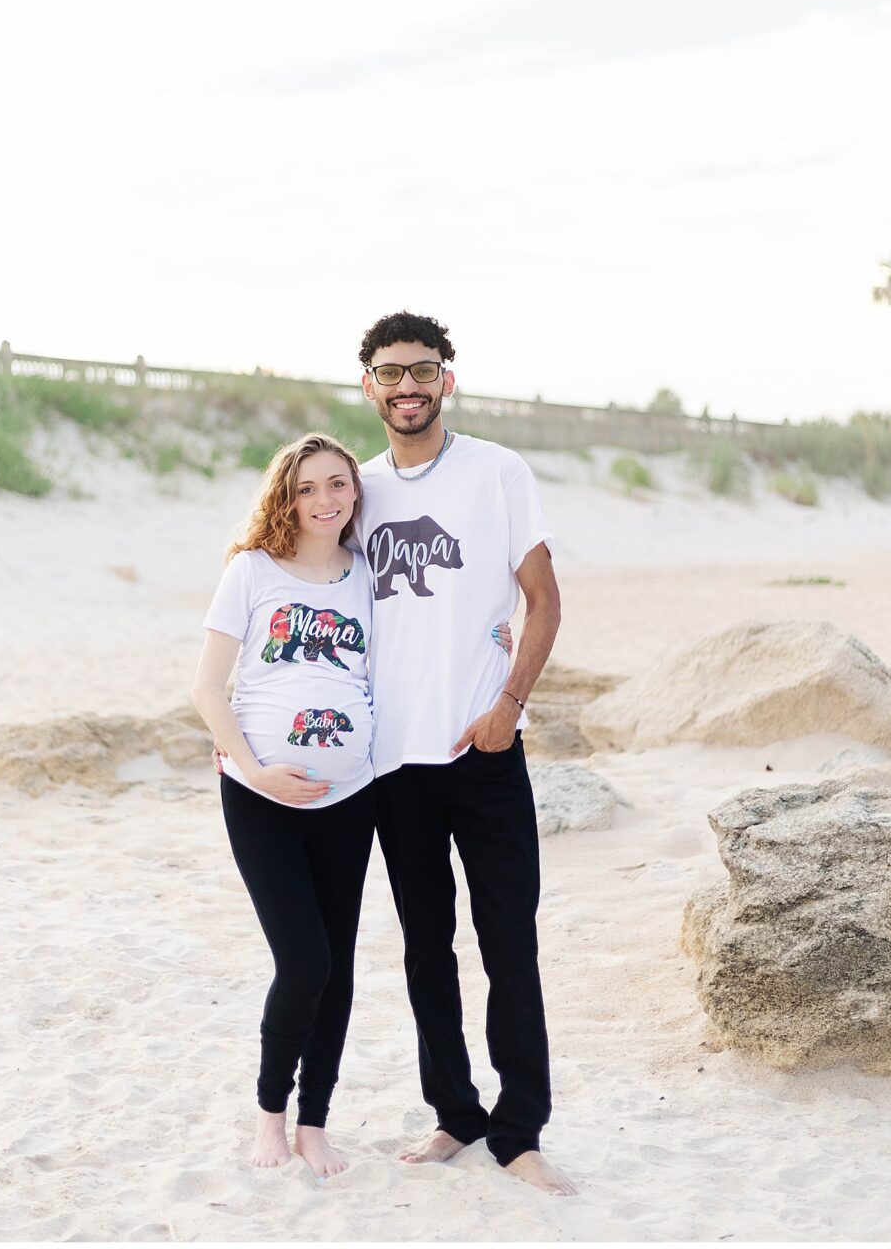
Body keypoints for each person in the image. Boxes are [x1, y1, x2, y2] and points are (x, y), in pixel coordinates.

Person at [191, 432, 511, 1179]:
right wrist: (254, 769)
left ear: (355, 494)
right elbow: (206, 688)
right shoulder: (251, 570)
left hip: (351, 797)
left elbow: (431, 626)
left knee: (334, 969)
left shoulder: (367, 574)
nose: (325, 499)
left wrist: (497, 634)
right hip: (261, 798)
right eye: (307, 487)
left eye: (338, 484)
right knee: (302, 961)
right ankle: (270, 1118)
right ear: (285, 497)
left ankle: (314, 1125)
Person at [356, 311, 577, 1197]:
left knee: (508, 942)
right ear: (368, 385)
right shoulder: (356, 489)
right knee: (425, 948)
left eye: (422, 370)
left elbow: (543, 600)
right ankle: (454, 1112)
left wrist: (507, 707)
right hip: (392, 761)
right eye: (390, 372)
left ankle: (519, 1131)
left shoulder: (496, 472)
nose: (406, 386)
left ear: (447, 377)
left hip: (484, 750)